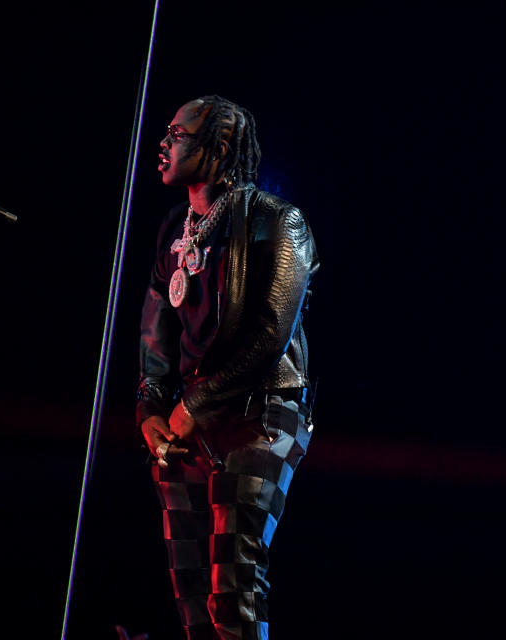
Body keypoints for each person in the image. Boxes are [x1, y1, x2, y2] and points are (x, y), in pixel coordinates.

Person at [136, 96, 318, 640]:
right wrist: (150, 405)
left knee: (234, 587)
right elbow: (155, 333)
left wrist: (192, 405)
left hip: (261, 417)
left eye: (178, 134)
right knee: (191, 596)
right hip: (190, 426)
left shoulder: (278, 222)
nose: (164, 144)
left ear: (218, 147)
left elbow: (269, 336)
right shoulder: (176, 227)